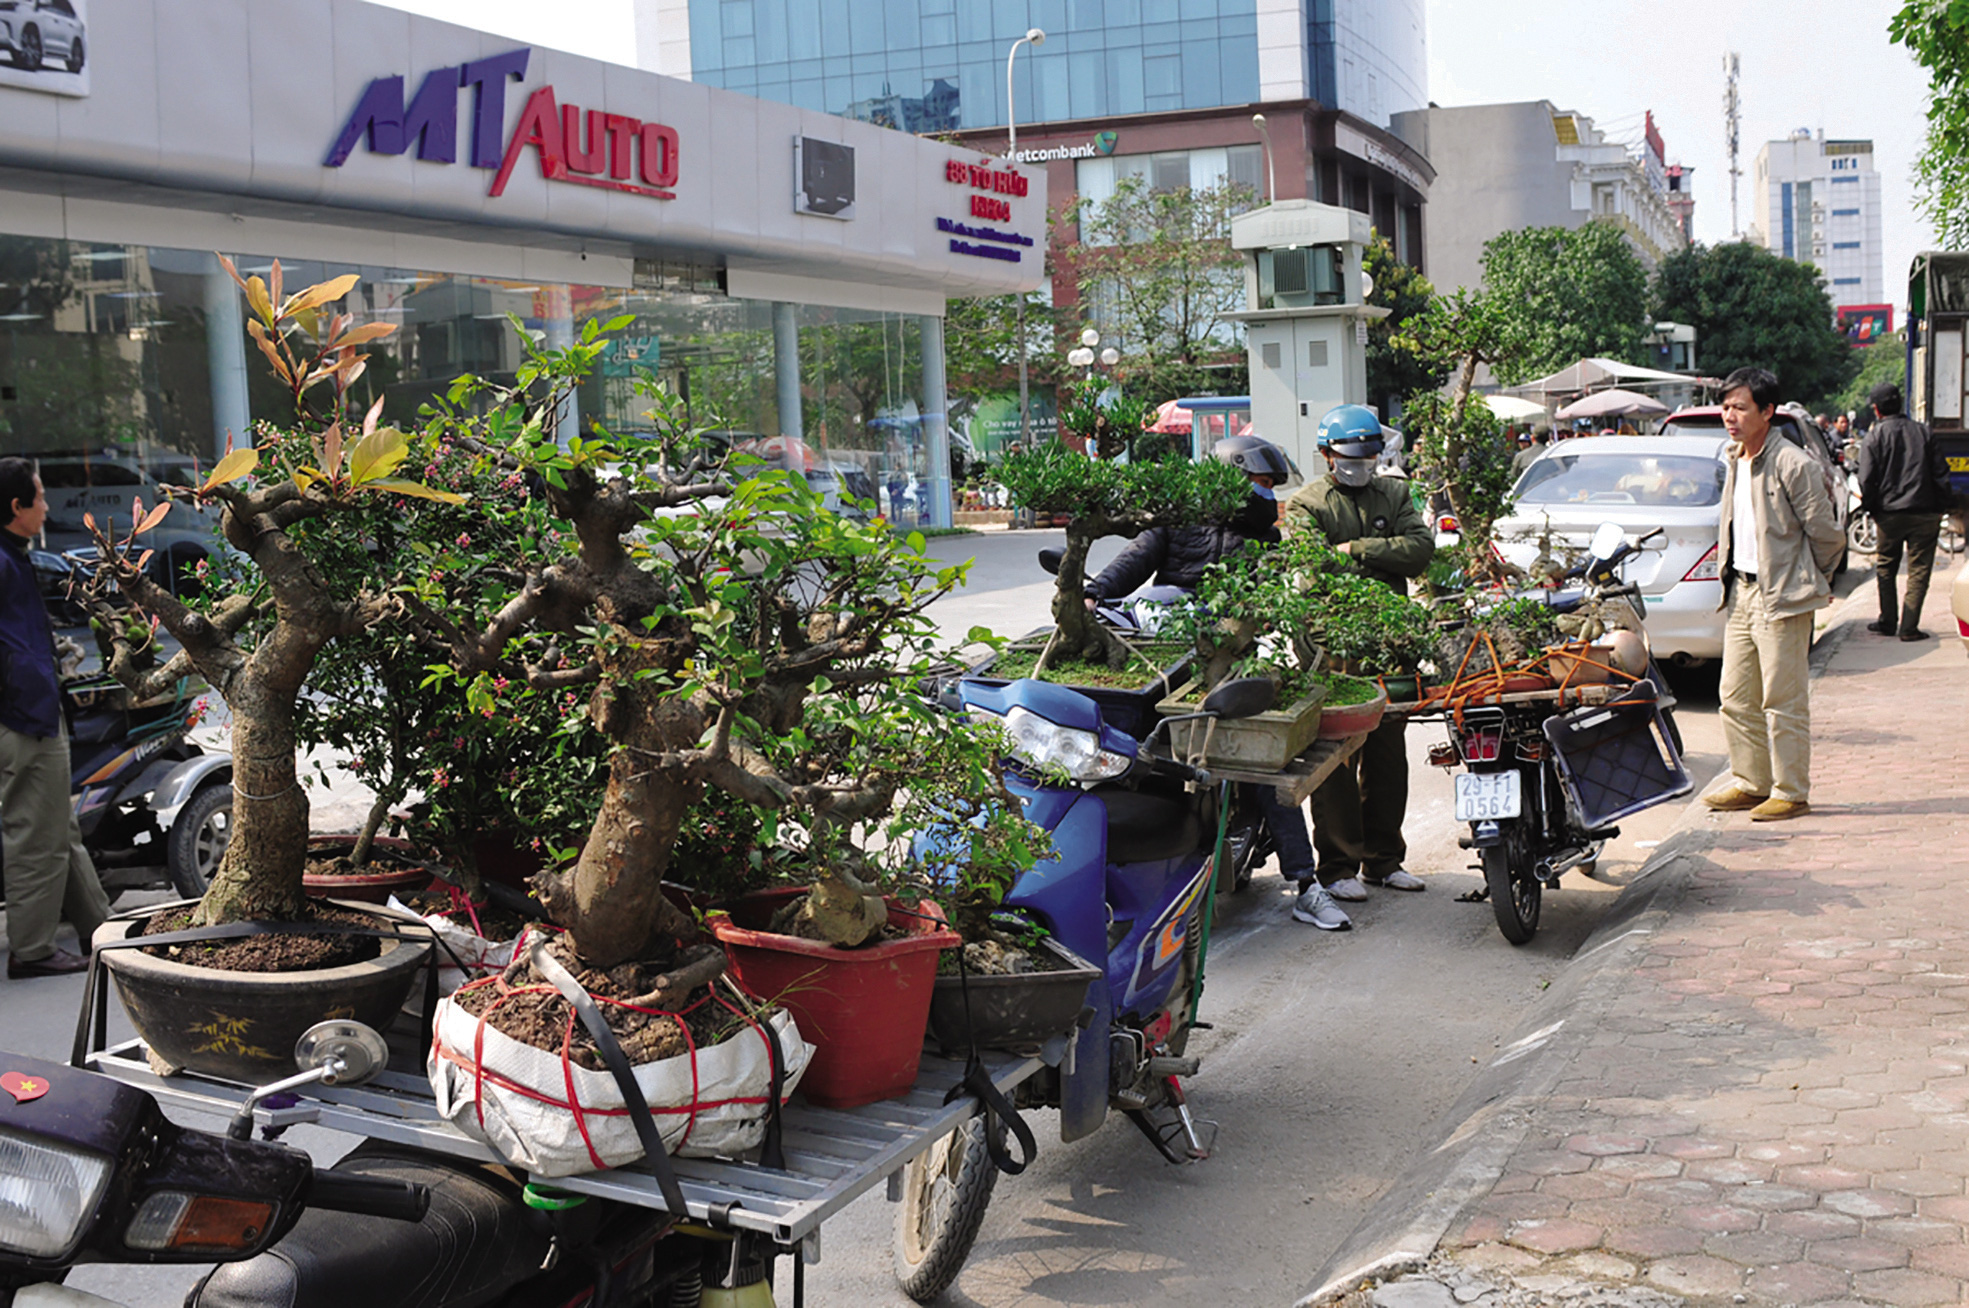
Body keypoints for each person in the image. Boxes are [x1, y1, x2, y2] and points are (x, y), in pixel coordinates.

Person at [1084, 437, 1353, 932]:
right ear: (1231, 476)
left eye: (1272, 486)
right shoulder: (1175, 521)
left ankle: (1305, 884)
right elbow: (1132, 561)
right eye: (1261, 482)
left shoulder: (1266, 541)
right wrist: (1092, 592)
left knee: (1267, 763)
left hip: (1230, 665)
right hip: (1164, 660)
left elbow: (1285, 600)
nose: (1267, 494)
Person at [1281, 405, 1434, 912]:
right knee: (1337, 757)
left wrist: (1354, 549)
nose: (1359, 464)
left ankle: (1385, 859)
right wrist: (1366, 552)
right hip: (1333, 643)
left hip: (1391, 640)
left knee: (1389, 751)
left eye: (1368, 455)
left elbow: (1420, 549)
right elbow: (1312, 561)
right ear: (1327, 455)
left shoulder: (1395, 491)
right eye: (1349, 456)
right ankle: (1339, 866)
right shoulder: (1306, 503)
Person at [1703, 369, 1844, 822]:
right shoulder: (1734, 457)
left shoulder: (1793, 464)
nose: (1730, 416)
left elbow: (1828, 536)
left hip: (1781, 596)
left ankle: (1791, 791)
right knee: (1735, 697)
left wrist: (1809, 583)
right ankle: (1751, 781)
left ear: (1767, 412)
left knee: (1782, 703)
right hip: (1740, 592)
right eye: (1726, 407)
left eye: (1740, 407)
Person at [1, 458, 112, 977]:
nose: (47, 506)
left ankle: (102, 931)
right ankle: (33, 950)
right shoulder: (3, 561)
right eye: (40, 498)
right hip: (23, 719)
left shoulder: (15, 555)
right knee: (36, 837)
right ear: (16, 507)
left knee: (58, 830)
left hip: (34, 709)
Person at [1858, 381, 1951, 641]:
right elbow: (1941, 474)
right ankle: (1909, 627)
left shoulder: (1873, 437)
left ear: (1876, 410)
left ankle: (1888, 621)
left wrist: (1872, 508)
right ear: (1901, 405)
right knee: (1919, 570)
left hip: (1888, 515)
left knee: (1886, 568)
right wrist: (1942, 506)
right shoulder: (1924, 433)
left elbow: (1866, 480)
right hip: (1925, 512)